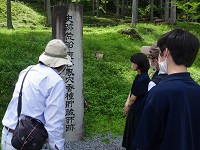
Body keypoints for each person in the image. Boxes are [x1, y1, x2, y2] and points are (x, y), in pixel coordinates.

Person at [133, 29, 200, 150]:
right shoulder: (197, 90)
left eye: (159, 53)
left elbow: (145, 141)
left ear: (166, 52)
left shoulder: (158, 93)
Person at [1, 39, 72, 150]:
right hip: (27, 140)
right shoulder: (55, 81)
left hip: (8, 134)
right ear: (62, 65)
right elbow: (54, 122)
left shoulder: (27, 70)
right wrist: (57, 147)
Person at [122, 52, 150, 150]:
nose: (132, 64)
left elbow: (133, 98)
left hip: (136, 111)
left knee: (132, 135)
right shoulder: (141, 76)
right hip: (136, 109)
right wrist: (127, 103)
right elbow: (132, 91)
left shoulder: (142, 79)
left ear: (138, 65)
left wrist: (127, 106)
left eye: (133, 63)